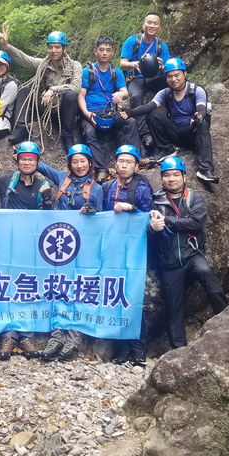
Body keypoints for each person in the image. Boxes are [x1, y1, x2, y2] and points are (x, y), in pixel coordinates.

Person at [0, 140, 53, 359]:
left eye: (31, 159)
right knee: (8, 288)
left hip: (30, 246)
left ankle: (26, 336)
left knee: (28, 289)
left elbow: (49, 218)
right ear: (17, 161)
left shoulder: (42, 186)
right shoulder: (5, 181)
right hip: (6, 244)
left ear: (37, 162)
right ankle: (9, 336)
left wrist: (48, 199)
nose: (27, 163)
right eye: (24, 159)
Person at [149, 157, 228, 348]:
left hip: (192, 255)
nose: (171, 179)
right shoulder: (155, 201)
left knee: (206, 272)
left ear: (184, 177)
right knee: (173, 308)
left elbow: (194, 223)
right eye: (167, 175)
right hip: (168, 261)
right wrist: (152, 227)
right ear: (161, 179)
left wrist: (167, 221)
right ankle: (179, 350)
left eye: (176, 175)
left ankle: (227, 320)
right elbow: (147, 229)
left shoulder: (195, 198)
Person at [36, 143, 103, 362]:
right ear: (70, 164)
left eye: (83, 161)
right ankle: (57, 336)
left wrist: (92, 212)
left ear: (90, 163)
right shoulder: (62, 179)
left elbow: (103, 219)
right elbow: (41, 166)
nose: (79, 165)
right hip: (62, 245)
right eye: (75, 161)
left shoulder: (96, 189)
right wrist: (25, 154)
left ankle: (73, 339)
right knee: (59, 288)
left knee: (79, 290)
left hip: (84, 246)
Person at [121, 57, 219, 183]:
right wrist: (131, 112)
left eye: (177, 75)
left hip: (192, 132)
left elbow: (202, 109)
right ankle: (166, 149)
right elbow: (149, 106)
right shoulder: (166, 93)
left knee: (203, 124)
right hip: (176, 133)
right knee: (152, 114)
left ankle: (205, 170)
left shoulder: (196, 90)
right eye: (169, 76)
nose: (173, 79)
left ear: (184, 74)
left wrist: (198, 118)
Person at [101, 145, 154, 367]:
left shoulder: (142, 187)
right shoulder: (107, 187)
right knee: (115, 296)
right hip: (113, 248)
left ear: (136, 165)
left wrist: (130, 208)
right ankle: (122, 348)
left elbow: (148, 214)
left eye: (129, 162)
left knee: (133, 297)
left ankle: (138, 348)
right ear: (115, 164)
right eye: (121, 161)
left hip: (135, 249)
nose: (124, 165)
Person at [0, 25, 82, 153]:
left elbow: (76, 87)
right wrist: (7, 46)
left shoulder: (75, 65)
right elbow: (24, 59)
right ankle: (22, 127)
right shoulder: (43, 64)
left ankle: (67, 135)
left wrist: (53, 89)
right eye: (50, 47)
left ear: (64, 48)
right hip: (48, 108)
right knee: (24, 91)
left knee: (70, 95)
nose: (53, 50)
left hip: (66, 112)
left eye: (57, 47)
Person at [78, 36, 140, 181]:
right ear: (95, 51)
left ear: (112, 52)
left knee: (130, 122)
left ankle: (135, 159)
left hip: (110, 112)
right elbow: (81, 95)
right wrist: (86, 113)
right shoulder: (87, 71)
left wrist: (121, 94)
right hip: (92, 112)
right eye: (101, 50)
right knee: (89, 132)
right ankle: (101, 169)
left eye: (108, 50)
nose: (104, 53)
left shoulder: (116, 72)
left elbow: (125, 91)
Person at [119, 13, 171, 146]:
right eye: (149, 22)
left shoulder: (161, 45)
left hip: (156, 77)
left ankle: (174, 119)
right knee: (136, 96)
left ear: (159, 27)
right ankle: (145, 134)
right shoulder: (132, 41)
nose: (151, 26)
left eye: (155, 23)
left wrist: (162, 66)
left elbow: (167, 68)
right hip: (136, 78)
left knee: (172, 85)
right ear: (143, 25)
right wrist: (134, 64)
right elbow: (122, 64)